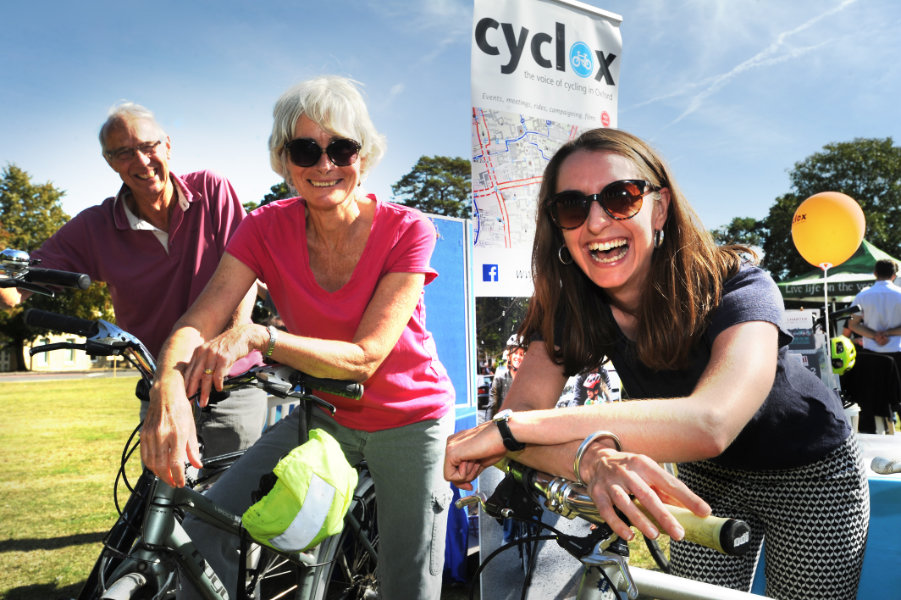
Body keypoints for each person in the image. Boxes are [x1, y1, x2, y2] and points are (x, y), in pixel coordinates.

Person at [444, 128, 869, 599]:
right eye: (572, 206)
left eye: (620, 197)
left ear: (660, 206)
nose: (597, 221)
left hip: (812, 468)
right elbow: (518, 428)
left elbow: (711, 422)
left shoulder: (738, 281)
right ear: (558, 225)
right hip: (709, 477)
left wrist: (515, 430)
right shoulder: (571, 307)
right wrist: (592, 456)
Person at [141, 76, 456, 599]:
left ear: (365, 153)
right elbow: (198, 321)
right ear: (284, 160)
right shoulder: (265, 226)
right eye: (305, 149)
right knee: (206, 528)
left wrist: (259, 337)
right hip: (325, 414)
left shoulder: (408, 229)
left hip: (409, 419)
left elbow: (364, 358)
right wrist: (166, 390)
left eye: (341, 148)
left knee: (408, 584)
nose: (324, 164)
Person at [0, 102, 267, 462]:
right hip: (160, 391)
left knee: (232, 507)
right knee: (159, 510)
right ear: (110, 162)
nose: (141, 161)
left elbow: (247, 271)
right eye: (124, 152)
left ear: (167, 146)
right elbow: (14, 289)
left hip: (230, 385)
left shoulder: (212, 190)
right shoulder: (95, 227)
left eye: (148, 146)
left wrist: (228, 348)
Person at [846, 258, 901, 431]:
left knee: (873, 400)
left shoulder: (863, 295)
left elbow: (852, 324)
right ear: (894, 275)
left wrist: (874, 335)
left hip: (872, 355)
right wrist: (887, 333)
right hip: (897, 352)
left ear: (875, 273)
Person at [481, 334, 526, 423]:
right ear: (509, 355)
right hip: (504, 424)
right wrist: (487, 426)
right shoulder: (500, 376)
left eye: (521, 354)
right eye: (515, 353)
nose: (518, 357)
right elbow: (492, 405)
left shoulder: (528, 377)